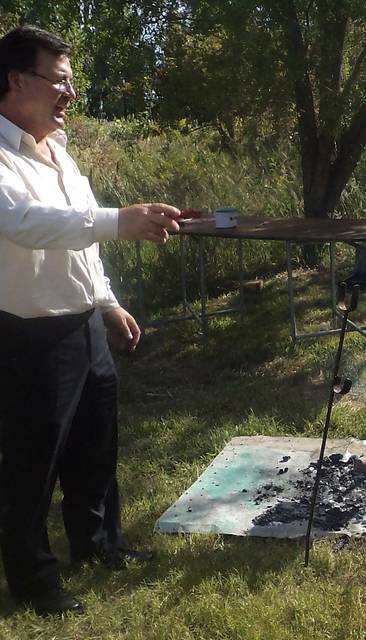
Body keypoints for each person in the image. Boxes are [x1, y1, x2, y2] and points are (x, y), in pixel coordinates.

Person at [0, 25, 182, 617]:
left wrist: (106, 302)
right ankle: (33, 579)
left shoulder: (62, 154)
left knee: (95, 447)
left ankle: (100, 544)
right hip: (28, 333)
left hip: (82, 323)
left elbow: (81, 243)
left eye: (72, 82)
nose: (69, 93)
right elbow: (29, 224)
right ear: (15, 81)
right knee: (34, 461)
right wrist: (116, 220)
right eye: (59, 81)